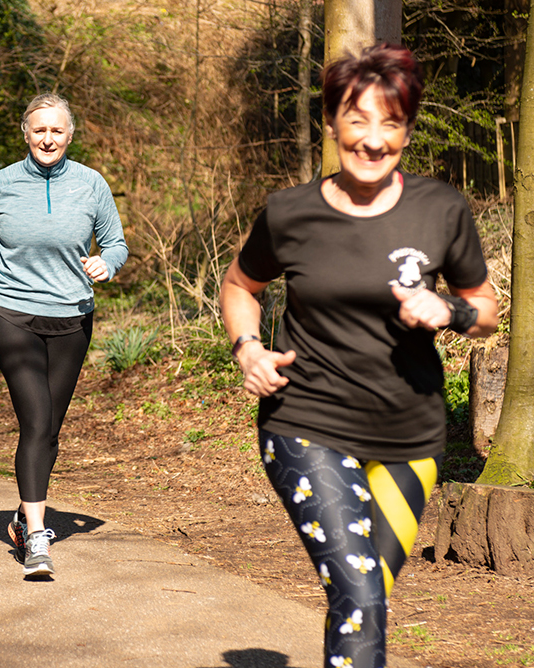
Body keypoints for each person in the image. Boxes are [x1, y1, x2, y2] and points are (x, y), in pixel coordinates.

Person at [219, 43, 498, 668]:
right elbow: (240, 285)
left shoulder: (441, 209)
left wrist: (447, 310)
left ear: (408, 129)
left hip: (410, 440)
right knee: (360, 594)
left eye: (391, 123)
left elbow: (486, 307)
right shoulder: (290, 213)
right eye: (358, 120)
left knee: (362, 596)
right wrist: (248, 347)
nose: (373, 140)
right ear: (332, 123)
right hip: (306, 426)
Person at [0, 93, 128, 577]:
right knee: (35, 422)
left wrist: (106, 262)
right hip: (10, 312)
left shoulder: (92, 184)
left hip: (72, 317)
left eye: (56, 131)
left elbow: (116, 243)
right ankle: (36, 537)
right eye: (39, 130)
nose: (47, 138)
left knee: (50, 427)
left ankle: (20, 515)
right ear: (25, 134)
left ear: (69, 135)